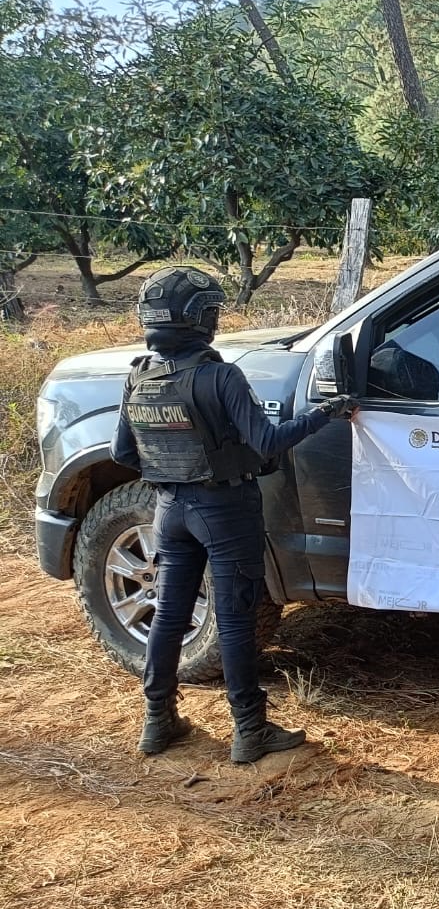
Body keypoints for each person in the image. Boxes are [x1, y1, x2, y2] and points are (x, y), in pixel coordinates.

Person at [112, 266, 357, 763]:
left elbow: (124, 453)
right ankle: (250, 728)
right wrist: (324, 414)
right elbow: (267, 441)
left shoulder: (139, 374)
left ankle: (158, 721)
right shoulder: (220, 375)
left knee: (170, 614)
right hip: (224, 510)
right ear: (201, 319)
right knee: (236, 617)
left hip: (170, 510)